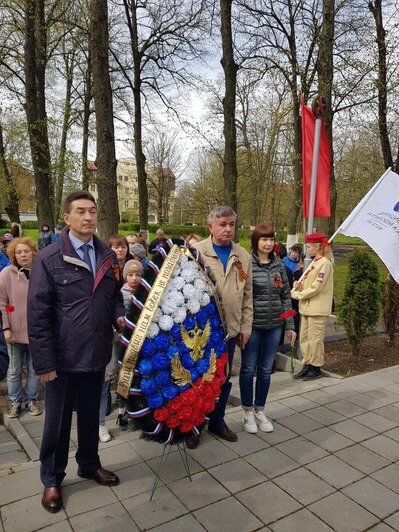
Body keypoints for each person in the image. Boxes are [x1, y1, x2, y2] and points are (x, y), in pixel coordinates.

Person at [28, 190, 125, 514]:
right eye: (80, 211)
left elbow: (114, 297)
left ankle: (89, 463)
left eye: (92, 211)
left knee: (89, 417)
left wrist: (119, 315)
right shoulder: (49, 258)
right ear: (67, 218)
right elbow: (38, 315)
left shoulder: (108, 256)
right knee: (55, 423)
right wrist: (44, 362)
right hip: (62, 359)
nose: (88, 217)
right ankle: (52, 478)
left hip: (96, 354)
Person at [187, 206, 253, 449]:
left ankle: (217, 421)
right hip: (201, 333)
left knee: (223, 380)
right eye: (223, 224)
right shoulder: (196, 252)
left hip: (230, 331)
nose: (228, 229)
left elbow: (248, 295)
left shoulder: (242, 255)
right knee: (198, 379)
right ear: (210, 227)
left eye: (232, 224)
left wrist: (246, 327)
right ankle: (193, 425)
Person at [240, 224, 296, 434]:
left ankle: (259, 409)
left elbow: (285, 297)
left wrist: (289, 325)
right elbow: (242, 297)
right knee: (248, 369)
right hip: (252, 327)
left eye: (271, 239)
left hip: (274, 327)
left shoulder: (279, 265)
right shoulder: (246, 265)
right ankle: (246, 411)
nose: (268, 243)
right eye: (264, 239)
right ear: (256, 242)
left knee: (265, 370)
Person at [0, 237, 41, 418]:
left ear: (33, 252)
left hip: (37, 331)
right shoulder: (6, 274)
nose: (23, 254)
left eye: (26, 250)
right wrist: (7, 326)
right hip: (14, 333)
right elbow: (4, 304)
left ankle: (31, 400)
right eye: (19, 252)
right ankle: (15, 402)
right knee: (14, 370)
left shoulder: (41, 272)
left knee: (34, 369)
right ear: (13, 255)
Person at [291, 233, 334, 381]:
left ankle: (316, 366)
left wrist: (297, 295)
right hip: (307, 308)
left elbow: (316, 287)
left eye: (309, 246)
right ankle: (307, 364)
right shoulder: (315, 262)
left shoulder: (325, 263)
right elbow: (309, 282)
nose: (307, 249)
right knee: (305, 339)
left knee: (315, 340)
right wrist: (298, 286)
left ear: (317, 246)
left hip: (317, 308)